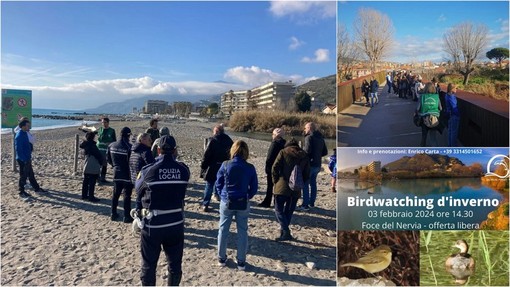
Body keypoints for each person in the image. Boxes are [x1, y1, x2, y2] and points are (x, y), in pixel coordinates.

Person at [135, 135, 190, 286]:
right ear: (175, 150)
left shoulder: (148, 170)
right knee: (175, 265)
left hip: (154, 224)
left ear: (158, 150)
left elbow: (138, 189)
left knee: (149, 265)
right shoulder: (184, 170)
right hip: (176, 223)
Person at [215, 140, 258, 270]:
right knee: (242, 232)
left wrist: (221, 194)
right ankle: (241, 261)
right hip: (242, 201)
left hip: (227, 200)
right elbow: (254, 187)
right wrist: (248, 196)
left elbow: (218, 182)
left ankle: (221, 258)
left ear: (233, 150)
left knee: (223, 230)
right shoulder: (250, 167)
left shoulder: (226, 164)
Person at [271, 138, 310, 241]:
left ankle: (285, 231)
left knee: (278, 209)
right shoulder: (304, 155)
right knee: (289, 211)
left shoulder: (283, 152)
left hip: (282, 186)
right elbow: (307, 173)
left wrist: (275, 181)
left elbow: (275, 167)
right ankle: (284, 232)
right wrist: (301, 183)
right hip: (296, 189)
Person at [200, 124, 233, 212]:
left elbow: (206, 155)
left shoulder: (213, 140)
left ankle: (205, 204)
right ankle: (220, 200)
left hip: (213, 166)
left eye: (214, 131)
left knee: (209, 185)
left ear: (216, 132)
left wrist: (203, 166)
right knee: (221, 184)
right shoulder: (229, 140)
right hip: (224, 165)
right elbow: (231, 154)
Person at [107, 127, 133, 222]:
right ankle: (126, 216)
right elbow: (132, 161)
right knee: (126, 195)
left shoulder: (112, 145)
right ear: (128, 135)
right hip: (127, 174)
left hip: (116, 173)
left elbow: (108, 158)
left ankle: (113, 213)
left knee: (115, 194)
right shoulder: (129, 147)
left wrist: (114, 166)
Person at [15, 119, 46, 198]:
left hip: (27, 158)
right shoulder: (19, 135)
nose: (29, 127)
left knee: (31, 174)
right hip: (23, 159)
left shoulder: (25, 133)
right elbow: (18, 149)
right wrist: (24, 159)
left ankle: (37, 188)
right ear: (23, 126)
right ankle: (21, 192)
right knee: (23, 176)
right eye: (27, 125)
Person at [300, 122, 328, 211]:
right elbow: (325, 152)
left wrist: (302, 153)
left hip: (310, 164)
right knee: (313, 184)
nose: (304, 130)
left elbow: (307, 151)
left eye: (305, 128)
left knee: (305, 184)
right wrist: (317, 155)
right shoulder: (320, 138)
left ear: (309, 128)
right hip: (317, 164)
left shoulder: (309, 137)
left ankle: (305, 205)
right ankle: (311, 203)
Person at [258, 128, 286, 208]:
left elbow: (269, 158)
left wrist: (267, 168)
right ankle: (277, 203)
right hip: (281, 168)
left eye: (273, 134)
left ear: (275, 135)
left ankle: (267, 202)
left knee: (270, 186)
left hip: (273, 168)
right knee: (279, 186)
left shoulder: (274, 143)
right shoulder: (284, 143)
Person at [415, 82, 443, 147]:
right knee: (433, 138)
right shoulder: (437, 97)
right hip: (434, 119)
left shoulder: (422, 97)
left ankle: (422, 152)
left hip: (424, 119)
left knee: (424, 137)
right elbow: (440, 108)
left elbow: (417, 108)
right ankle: (436, 153)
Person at [80, 132, 105, 202]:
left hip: (86, 164)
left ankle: (84, 195)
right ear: (93, 137)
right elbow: (98, 155)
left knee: (85, 181)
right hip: (93, 165)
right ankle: (91, 197)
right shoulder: (92, 145)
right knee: (92, 182)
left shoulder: (84, 145)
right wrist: (101, 162)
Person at [97, 117, 116, 183]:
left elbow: (114, 141)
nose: (103, 124)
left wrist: (109, 143)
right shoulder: (100, 129)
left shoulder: (112, 130)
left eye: (105, 122)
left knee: (104, 164)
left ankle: (103, 177)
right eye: (102, 122)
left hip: (106, 150)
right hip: (98, 149)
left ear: (108, 122)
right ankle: (97, 177)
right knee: (98, 163)